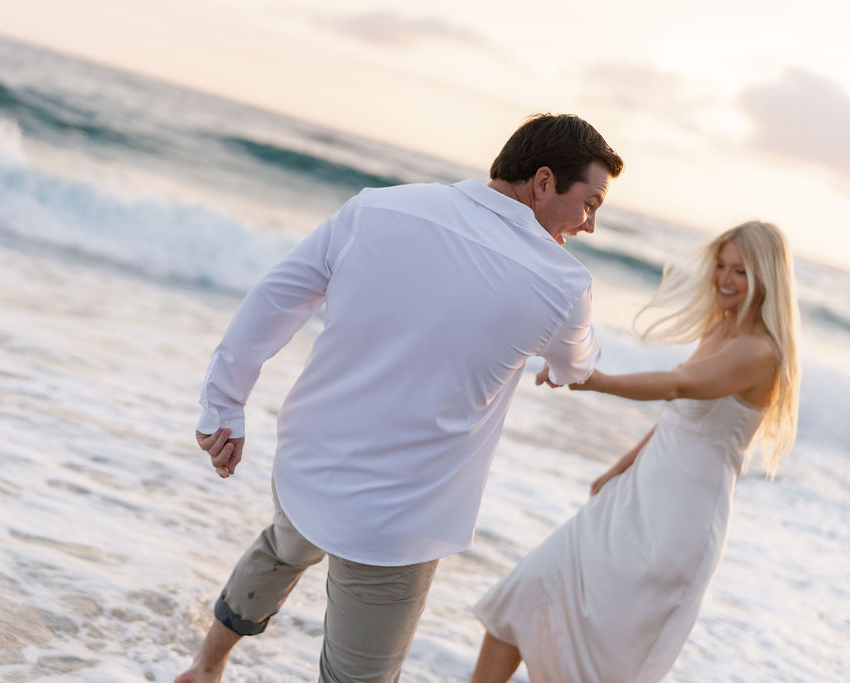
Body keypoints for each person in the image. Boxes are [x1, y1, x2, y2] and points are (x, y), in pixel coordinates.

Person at [176, 113, 624, 683]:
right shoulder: (562, 284)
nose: (590, 225)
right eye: (590, 204)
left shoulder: (380, 207)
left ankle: (205, 667)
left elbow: (277, 297)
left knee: (281, 550)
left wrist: (223, 407)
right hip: (398, 517)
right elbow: (575, 363)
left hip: (308, 463)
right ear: (543, 182)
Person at [471, 220, 801, 683]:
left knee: (599, 660)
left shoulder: (761, 352)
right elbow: (682, 416)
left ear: (767, 278)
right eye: (721, 266)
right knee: (524, 595)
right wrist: (619, 469)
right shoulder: (721, 330)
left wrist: (593, 379)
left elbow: (678, 385)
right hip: (635, 497)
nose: (725, 279)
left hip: (678, 526)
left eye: (741, 271)